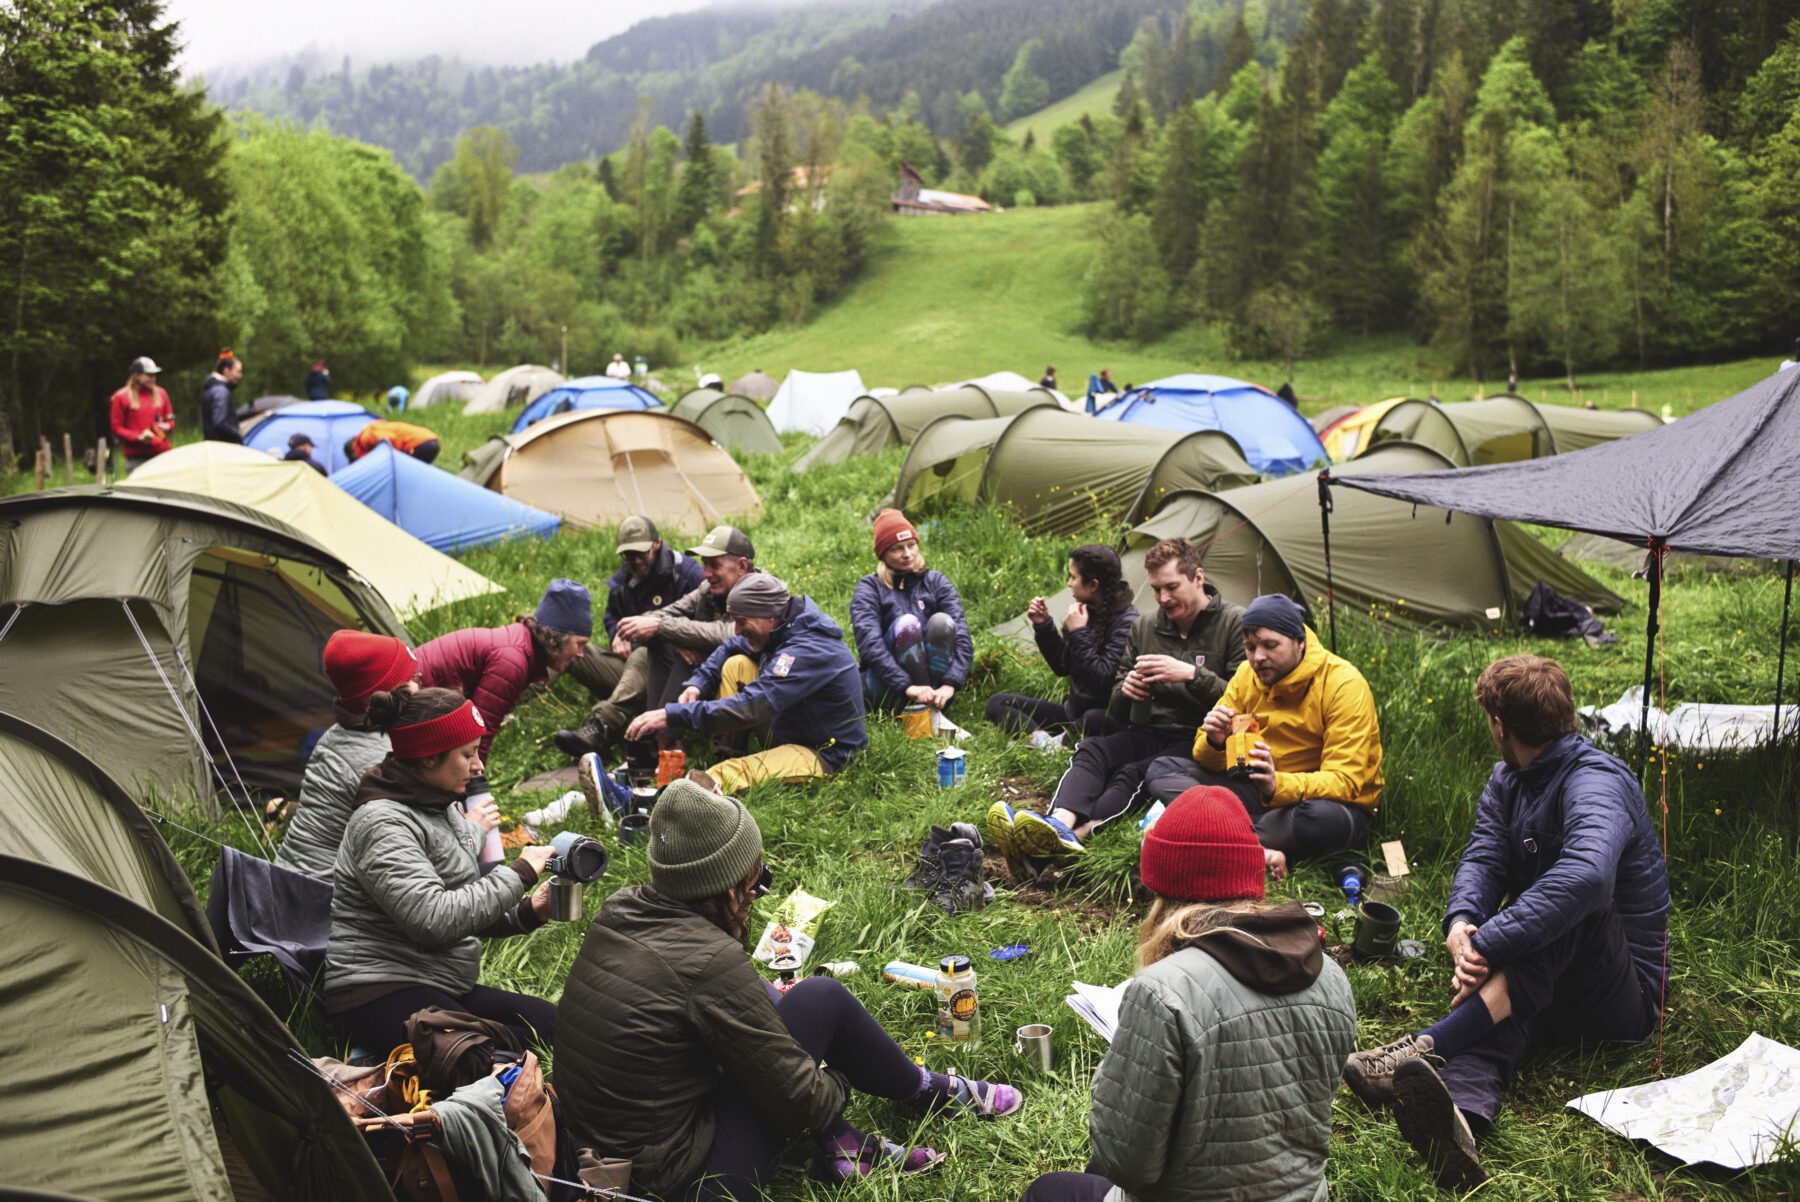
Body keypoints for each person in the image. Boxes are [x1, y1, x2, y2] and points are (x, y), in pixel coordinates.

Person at [556, 779, 1021, 1200]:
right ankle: (927, 1091)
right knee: (822, 999)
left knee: (777, 998)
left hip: (602, 1161)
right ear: (729, 885)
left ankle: (849, 1144)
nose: (760, 891)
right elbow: (805, 1101)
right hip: (685, 1186)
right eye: (755, 877)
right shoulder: (710, 962)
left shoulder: (621, 910)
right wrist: (834, 1069)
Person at [1341, 655, 1670, 1189]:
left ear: (1500, 725)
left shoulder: (1596, 782)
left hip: (1623, 995)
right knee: (1504, 1005)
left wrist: (1490, 944)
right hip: (1544, 982)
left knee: (1573, 902)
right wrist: (1463, 924)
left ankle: (1428, 1041)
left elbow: (1587, 879)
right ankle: (1458, 1123)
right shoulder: (1509, 778)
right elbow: (1485, 857)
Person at [1018, 785, 1355, 1202]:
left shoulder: (1162, 993)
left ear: (1166, 892)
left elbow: (1127, 1163)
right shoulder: (1332, 976)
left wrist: (1118, 1071)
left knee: (1050, 1191)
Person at [321, 686, 557, 1053]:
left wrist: (527, 912)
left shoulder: (438, 803)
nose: (479, 766)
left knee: (555, 1027)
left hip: (438, 981)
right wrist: (520, 872)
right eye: (467, 754)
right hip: (376, 992)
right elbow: (434, 918)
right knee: (489, 1054)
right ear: (429, 758)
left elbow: (464, 904)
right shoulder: (381, 824)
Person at [988, 538, 1243, 870]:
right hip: (1148, 728)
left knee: (1133, 773)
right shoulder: (1147, 627)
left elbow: (1245, 701)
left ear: (1198, 577)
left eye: (1172, 587)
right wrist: (1128, 690)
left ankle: (1075, 835)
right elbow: (1115, 708)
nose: (1164, 598)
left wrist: (1193, 675)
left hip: (1200, 741)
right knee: (1093, 748)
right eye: (1156, 589)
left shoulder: (1234, 623)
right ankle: (1056, 824)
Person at [1142, 593, 1384, 871]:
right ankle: (1258, 847)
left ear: (1299, 643)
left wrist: (1277, 785)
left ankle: (1211, 832)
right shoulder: (1247, 674)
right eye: (1250, 647)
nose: (1258, 657)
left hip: (1316, 804)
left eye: (1270, 646)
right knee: (1163, 770)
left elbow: (1346, 782)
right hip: (1257, 791)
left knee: (1319, 820)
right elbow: (1204, 759)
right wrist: (1215, 743)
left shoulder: (1343, 684)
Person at [625, 574, 866, 795]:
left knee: (727, 774)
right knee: (737, 664)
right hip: (790, 726)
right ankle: (728, 752)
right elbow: (731, 645)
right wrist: (698, 683)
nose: (737, 630)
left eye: (742, 621)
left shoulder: (807, 649)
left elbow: (752, 706)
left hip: (822, 752)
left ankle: (668, 803)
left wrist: (673, 715)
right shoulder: (782, 627)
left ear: (769, 615)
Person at [556, 525, 760, 757]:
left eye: (714, 565)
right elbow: (659, 615)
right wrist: (669, 635)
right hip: (700, 677)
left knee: (674, 643)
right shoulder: (706, 590)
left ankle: (674, 742)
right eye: (705, 564)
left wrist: (664, 628)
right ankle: (655, 741)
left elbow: (732, 633)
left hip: (746, 687)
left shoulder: (758, 591)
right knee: (655, 644)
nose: (706, 573)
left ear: (742, 565)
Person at [277, 630, 423, 878]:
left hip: (283, 878)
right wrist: (471, 831)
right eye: (412, 678)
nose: (420, 684)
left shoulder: (334, 735)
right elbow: (417, 849)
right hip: (321, 895)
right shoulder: (382, 761)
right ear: (385, 695)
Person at [556, 515, 704, 756]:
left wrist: (664, 637)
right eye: (628, 554)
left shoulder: (688, 575)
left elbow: (704, 630)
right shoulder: (624, 579)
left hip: (676, 677)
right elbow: (611, 616)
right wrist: (617, 634)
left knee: (646, 651)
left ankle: (603, 724)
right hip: (632, 673)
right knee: (573, 648)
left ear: (657, 543)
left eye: (640, 553)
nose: (634, 560)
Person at [416, 579, 593, 760]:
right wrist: (478, 785)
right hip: (401, 706)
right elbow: (478, 732)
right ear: (557, 638)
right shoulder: (513, 661)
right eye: (580, 644)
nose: (581, 654)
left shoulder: (521, 644)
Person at [986, 544, 1137, 740]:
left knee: (1095, 718)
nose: (1068, 583)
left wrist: (1079, 633)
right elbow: (1061, 667)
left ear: (1093, 585)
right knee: (997, 702)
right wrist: (1044, 625)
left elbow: (1102, 681)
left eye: (1073, 577)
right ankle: (1044, 743)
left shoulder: (1127, 622)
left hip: (1103, 718)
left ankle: (1056, 743)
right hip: (1072, 713)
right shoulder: (1084, 609)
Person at [850, 508, 973, 711]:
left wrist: (950, 683)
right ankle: (928, 711)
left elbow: (962, 635)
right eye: (897, 548)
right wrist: (907, 686)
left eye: (911, 545)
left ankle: (932, 706)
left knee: (943, 621)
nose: (907, 554)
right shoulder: (869, 588)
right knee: (907, 624)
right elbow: (870, 646)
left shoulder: (936, 581)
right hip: (888, 687)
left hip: (937, 690)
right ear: (883, 554)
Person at [109, 356, 175, 468]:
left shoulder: (162, 393)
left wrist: (167, 427)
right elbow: (116, 428)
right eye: (149, 375)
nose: (153, 378)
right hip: (137, 457)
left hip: (162, 454)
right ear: (136, 376)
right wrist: (138, 437)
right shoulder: (120, 397)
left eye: (154, 375)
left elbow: (170, 421)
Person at [344, 418, 441, 465]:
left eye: (354, 458)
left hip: (418, 444)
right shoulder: (373, 428)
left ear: (353, 448)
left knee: (407, 478)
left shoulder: (365, 438)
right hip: (431, 440)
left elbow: (385, 439)